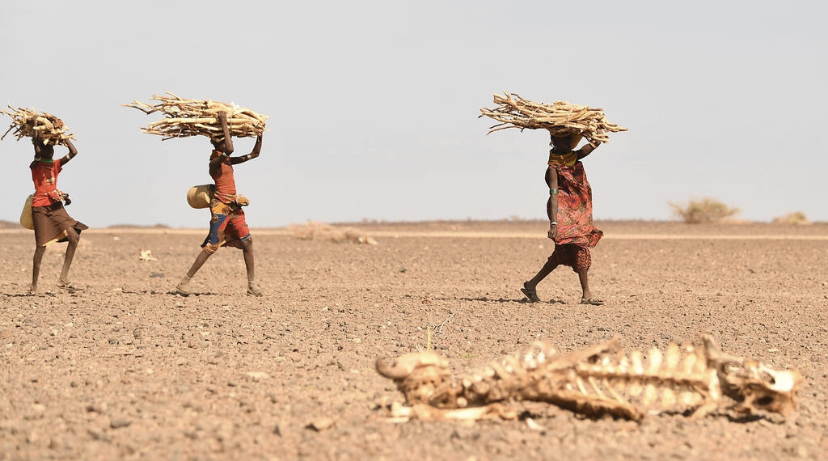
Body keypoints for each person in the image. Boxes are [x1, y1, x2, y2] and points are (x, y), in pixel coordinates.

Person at [175, 111, 263, 297]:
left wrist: (259, 134)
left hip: (234, 207)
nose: (228, 142)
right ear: (217, 143)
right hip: (220, 208)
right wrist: (224, 122)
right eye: (223, 140)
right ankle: (184, 283)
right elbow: (229, 149)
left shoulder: (228, 160)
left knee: (247, 242)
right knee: (211, 247)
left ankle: (251, 286)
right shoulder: (215, 162)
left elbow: (255, 154)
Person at [521, 131, 604, 305]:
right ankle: (587, 294)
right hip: (563, 214)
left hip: (579, 212)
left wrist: (595, 133)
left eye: (568, 141)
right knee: (581, 247)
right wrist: (554, 223)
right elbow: (554, 195)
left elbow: (588, 148)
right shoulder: (553, 168)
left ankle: (531, 284)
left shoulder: (572, 157)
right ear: (553, 142)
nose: (567, 144)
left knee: (561, 254)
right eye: (562, 141)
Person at [29, 136, 88, 294]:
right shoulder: (36, 165)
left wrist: (64, 138)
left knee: (74, 237)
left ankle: (63, 278)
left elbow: (73, 152)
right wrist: (37, 141)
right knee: (41, 247)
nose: (49, 152)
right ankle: (34, 286)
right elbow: (37, 154)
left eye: (51, 149)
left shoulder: (55, 165)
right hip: (40, 208)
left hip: (55, 207)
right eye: (46, 149)